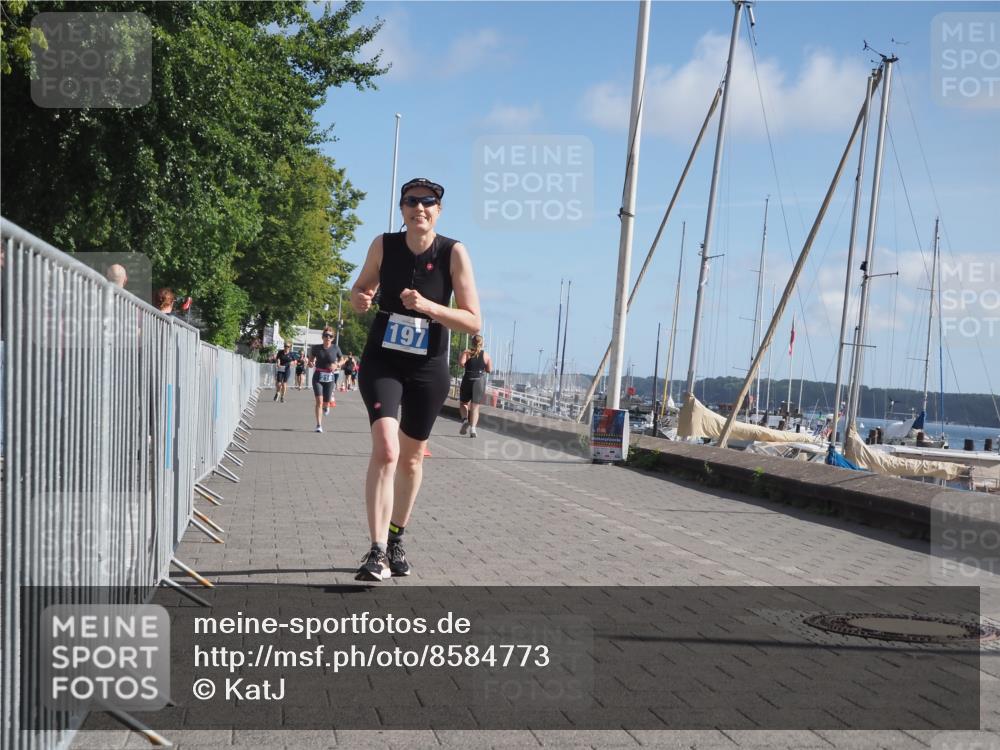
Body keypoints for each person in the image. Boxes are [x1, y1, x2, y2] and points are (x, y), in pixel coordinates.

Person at [349, 177, 481, 581]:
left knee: (410, 457)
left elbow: (473, 320)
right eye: (410, 201)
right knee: (387, 450)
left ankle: (395, 537)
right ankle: (375, 551)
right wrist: (359, 298)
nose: (418, 208)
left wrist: (428, 306)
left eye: (427, 202)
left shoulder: (453, 253)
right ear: (402, 208)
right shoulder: (383, 245)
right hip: (383, 361)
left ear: (438, 210)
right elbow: (360, 291)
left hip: (428, 367)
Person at [307, 326, 343, 432]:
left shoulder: (335, 348)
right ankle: (318, 425)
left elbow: (342, 359)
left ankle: (326, 406)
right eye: (326, 335)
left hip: (329, 378)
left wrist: (337, 365)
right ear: (322, 337)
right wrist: (310, 363)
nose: (328, 337)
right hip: (318, 376)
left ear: (333, 338)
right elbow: (311, 359)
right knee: (319, 401)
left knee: (326, 403)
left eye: (330, 336)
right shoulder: (316, 348)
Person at [458, 335, 492, 438]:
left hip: (468, 378)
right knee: (475, 407)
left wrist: (464, 357)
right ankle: (473, 429)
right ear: (482, 344)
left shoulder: (467, 352)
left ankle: (464, 420)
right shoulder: (486, 355)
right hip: (479, 381)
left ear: (472, 343)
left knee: (463, 403)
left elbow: (461, 363)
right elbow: (489, 370)